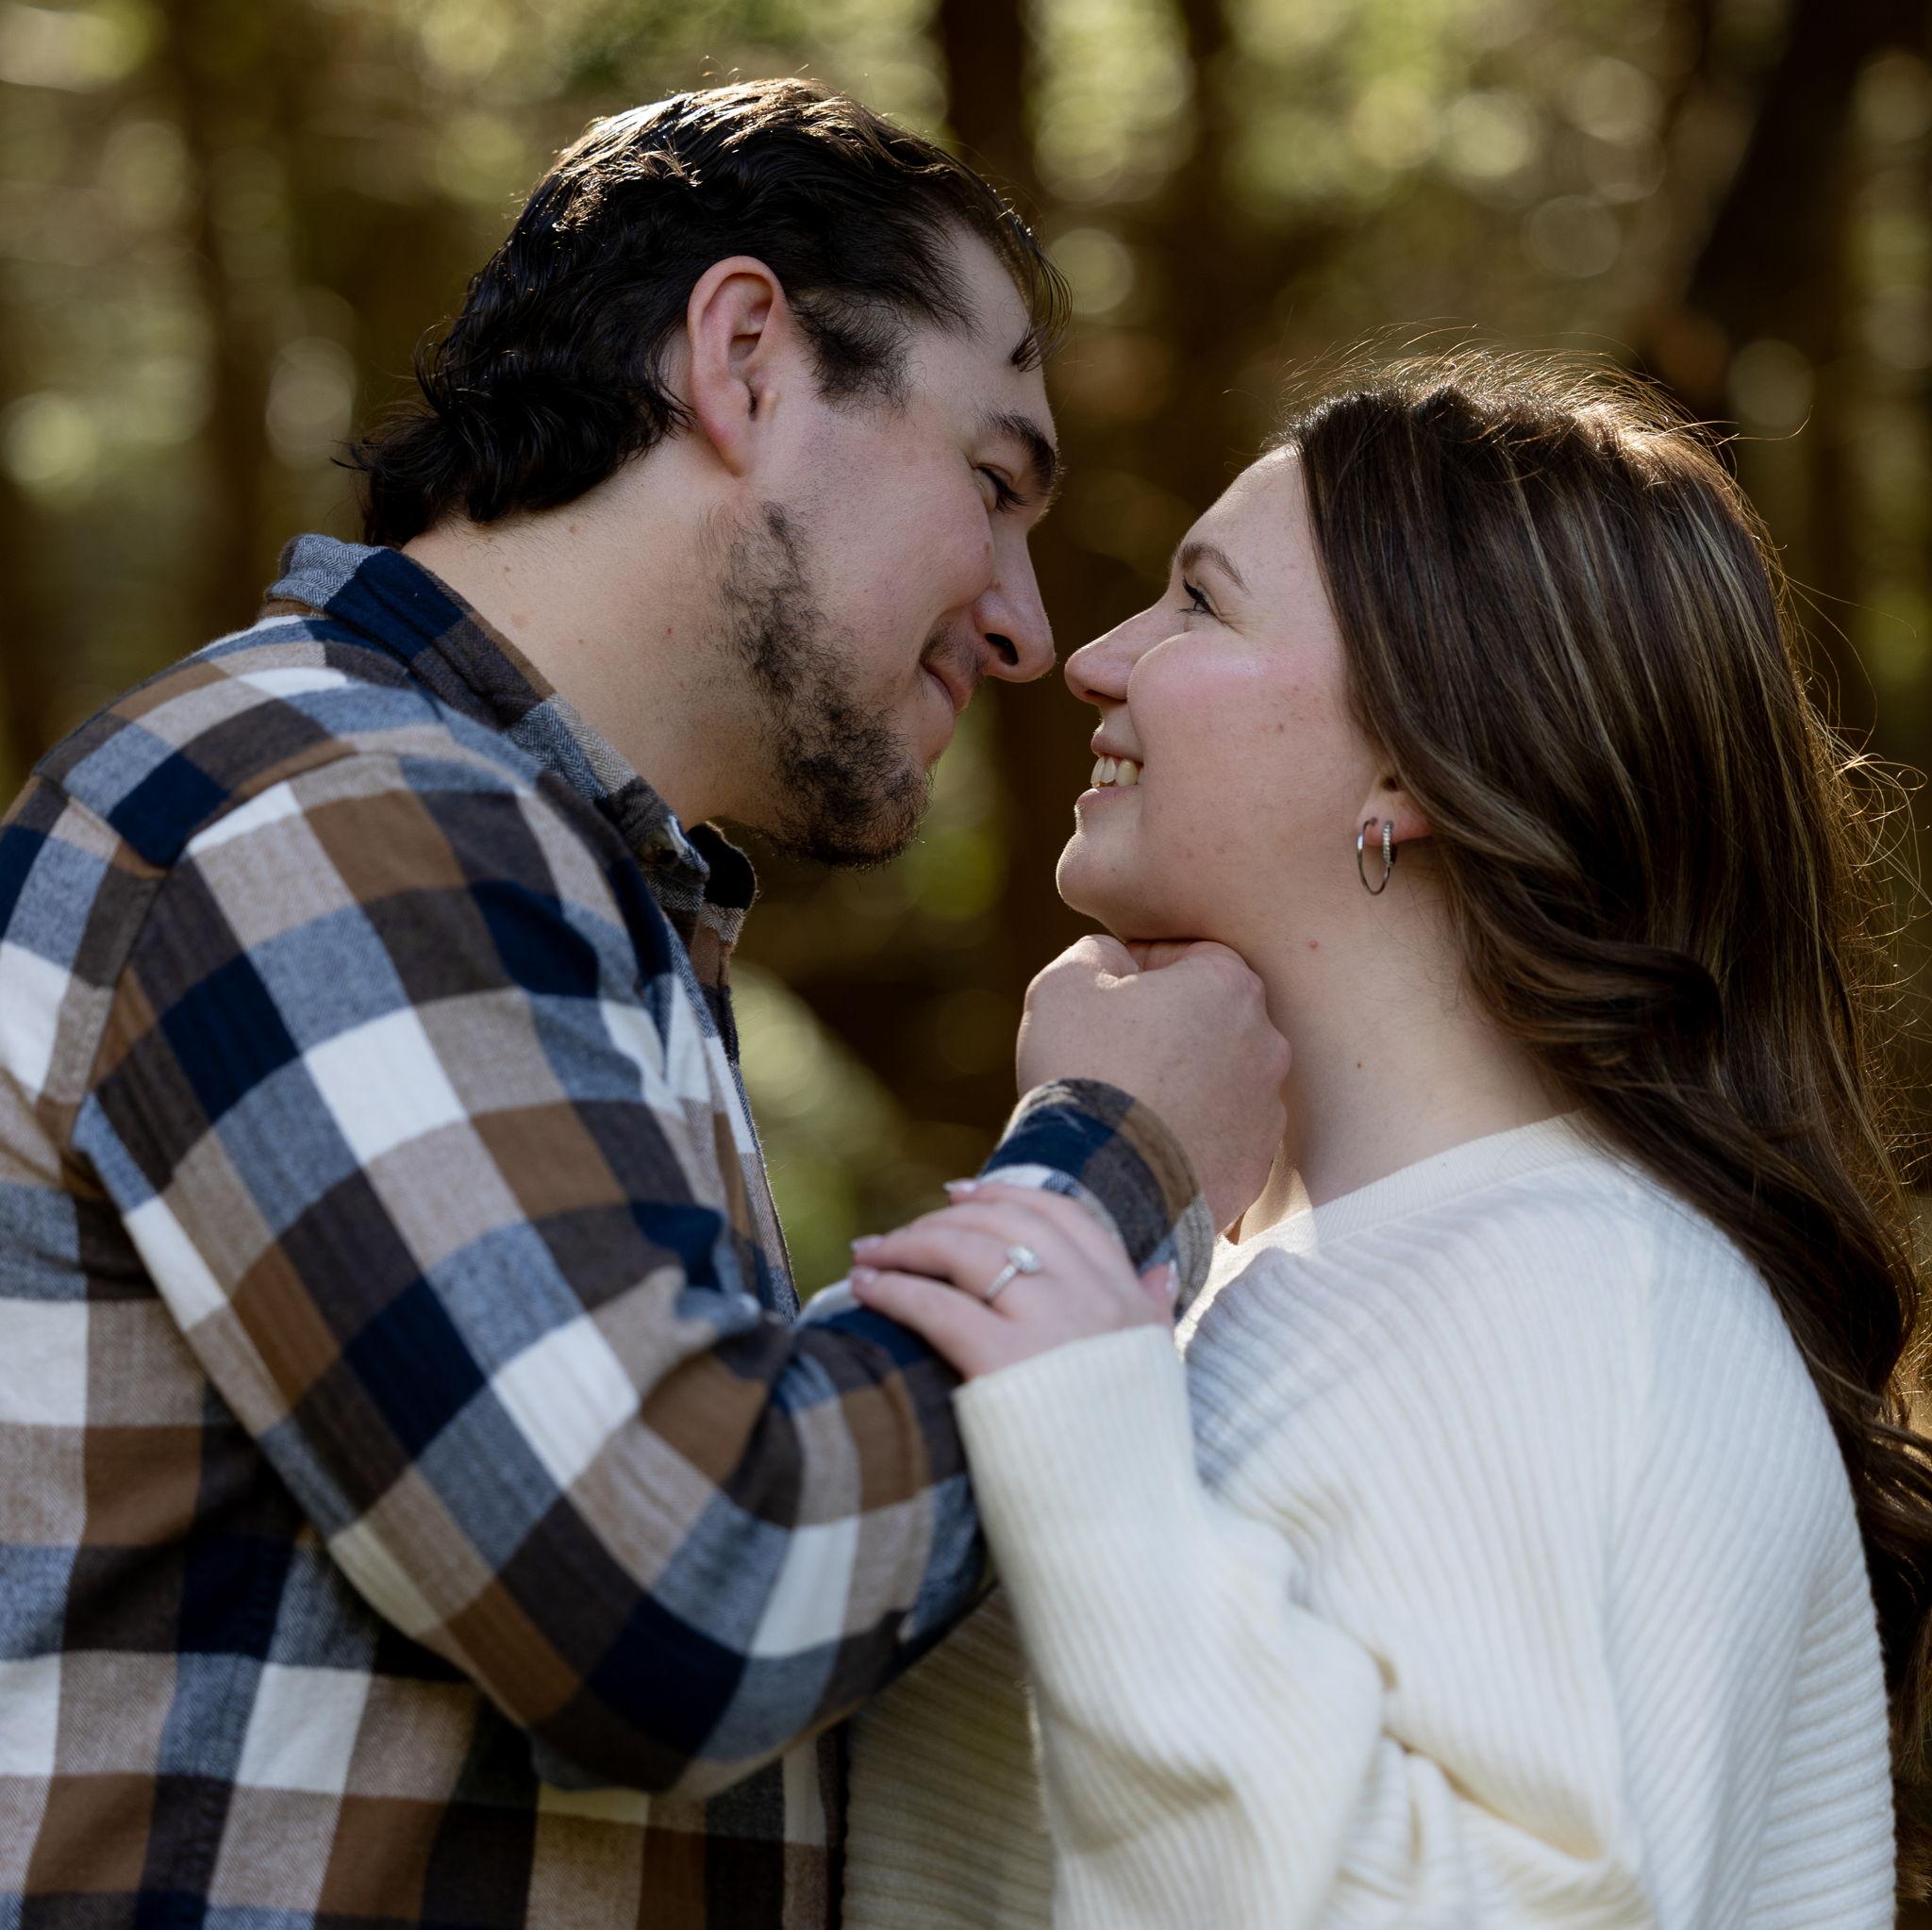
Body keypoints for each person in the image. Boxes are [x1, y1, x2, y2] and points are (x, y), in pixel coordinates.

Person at [0, 81, 1291, 1929]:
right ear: (746, 358)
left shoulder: (511, 857)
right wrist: (1114, 1157)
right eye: (992, 485)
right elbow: (687, 1592)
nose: (1022, 622)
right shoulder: (329, 817)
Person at [834, 350, 1926, 1926]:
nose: (1094, 659)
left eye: (1200, 603)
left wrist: (1092, 1452)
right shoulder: (1216, 1287)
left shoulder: (1588, 1305)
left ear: (1414, 751)